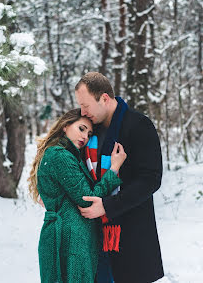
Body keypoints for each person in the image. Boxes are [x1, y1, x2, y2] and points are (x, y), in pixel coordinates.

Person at [75, 72, 164, 283]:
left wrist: (108, 206)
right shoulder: (88, 130)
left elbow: (151, 179)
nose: (82, 111)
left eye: (86, 105)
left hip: (130, 234)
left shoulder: (139, 125)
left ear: (104, 98)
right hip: (93, 236)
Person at [28, 108, 127, 283]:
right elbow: (88, 200)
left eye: (89, 134)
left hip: (70, 237)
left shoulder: (61, 154)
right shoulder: (60, 156)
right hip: (70, 240)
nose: (85, 137)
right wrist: (114, 169)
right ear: (65, 126)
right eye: (81, 129)